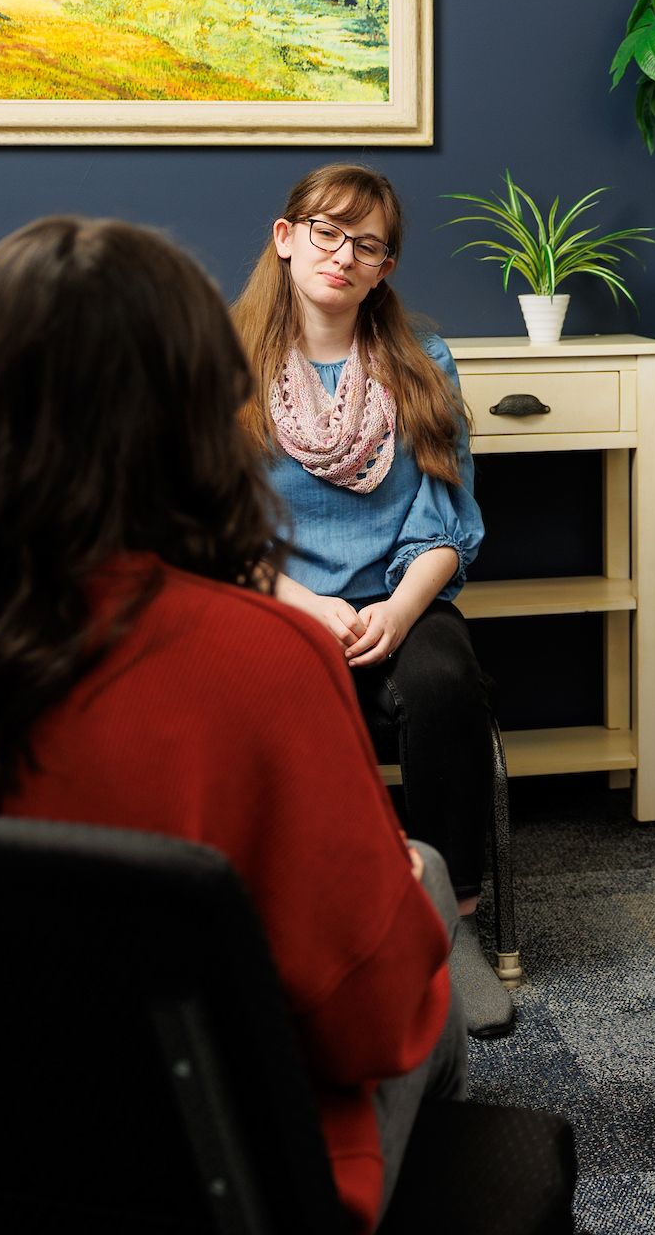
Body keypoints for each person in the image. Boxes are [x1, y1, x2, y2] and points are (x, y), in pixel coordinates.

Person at [0, 217, 463, 1235]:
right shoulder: (270, 658)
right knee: (433, 911)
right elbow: (366, 1027)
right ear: (199, 411)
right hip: (222, 1178)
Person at [228, 163, 509, 1036]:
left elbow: (447, 517)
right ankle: (295, 920)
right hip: (274, 600)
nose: (343, 255)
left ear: (386, 267)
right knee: (253, 696)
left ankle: (448, 919)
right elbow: (214, 525)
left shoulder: (423, 363)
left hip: (403, 598)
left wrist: (396, 609)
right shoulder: (224, 366)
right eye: (327, 231)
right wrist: (307, 606)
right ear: (286, 238)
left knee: (441, 684)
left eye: (369, 244)